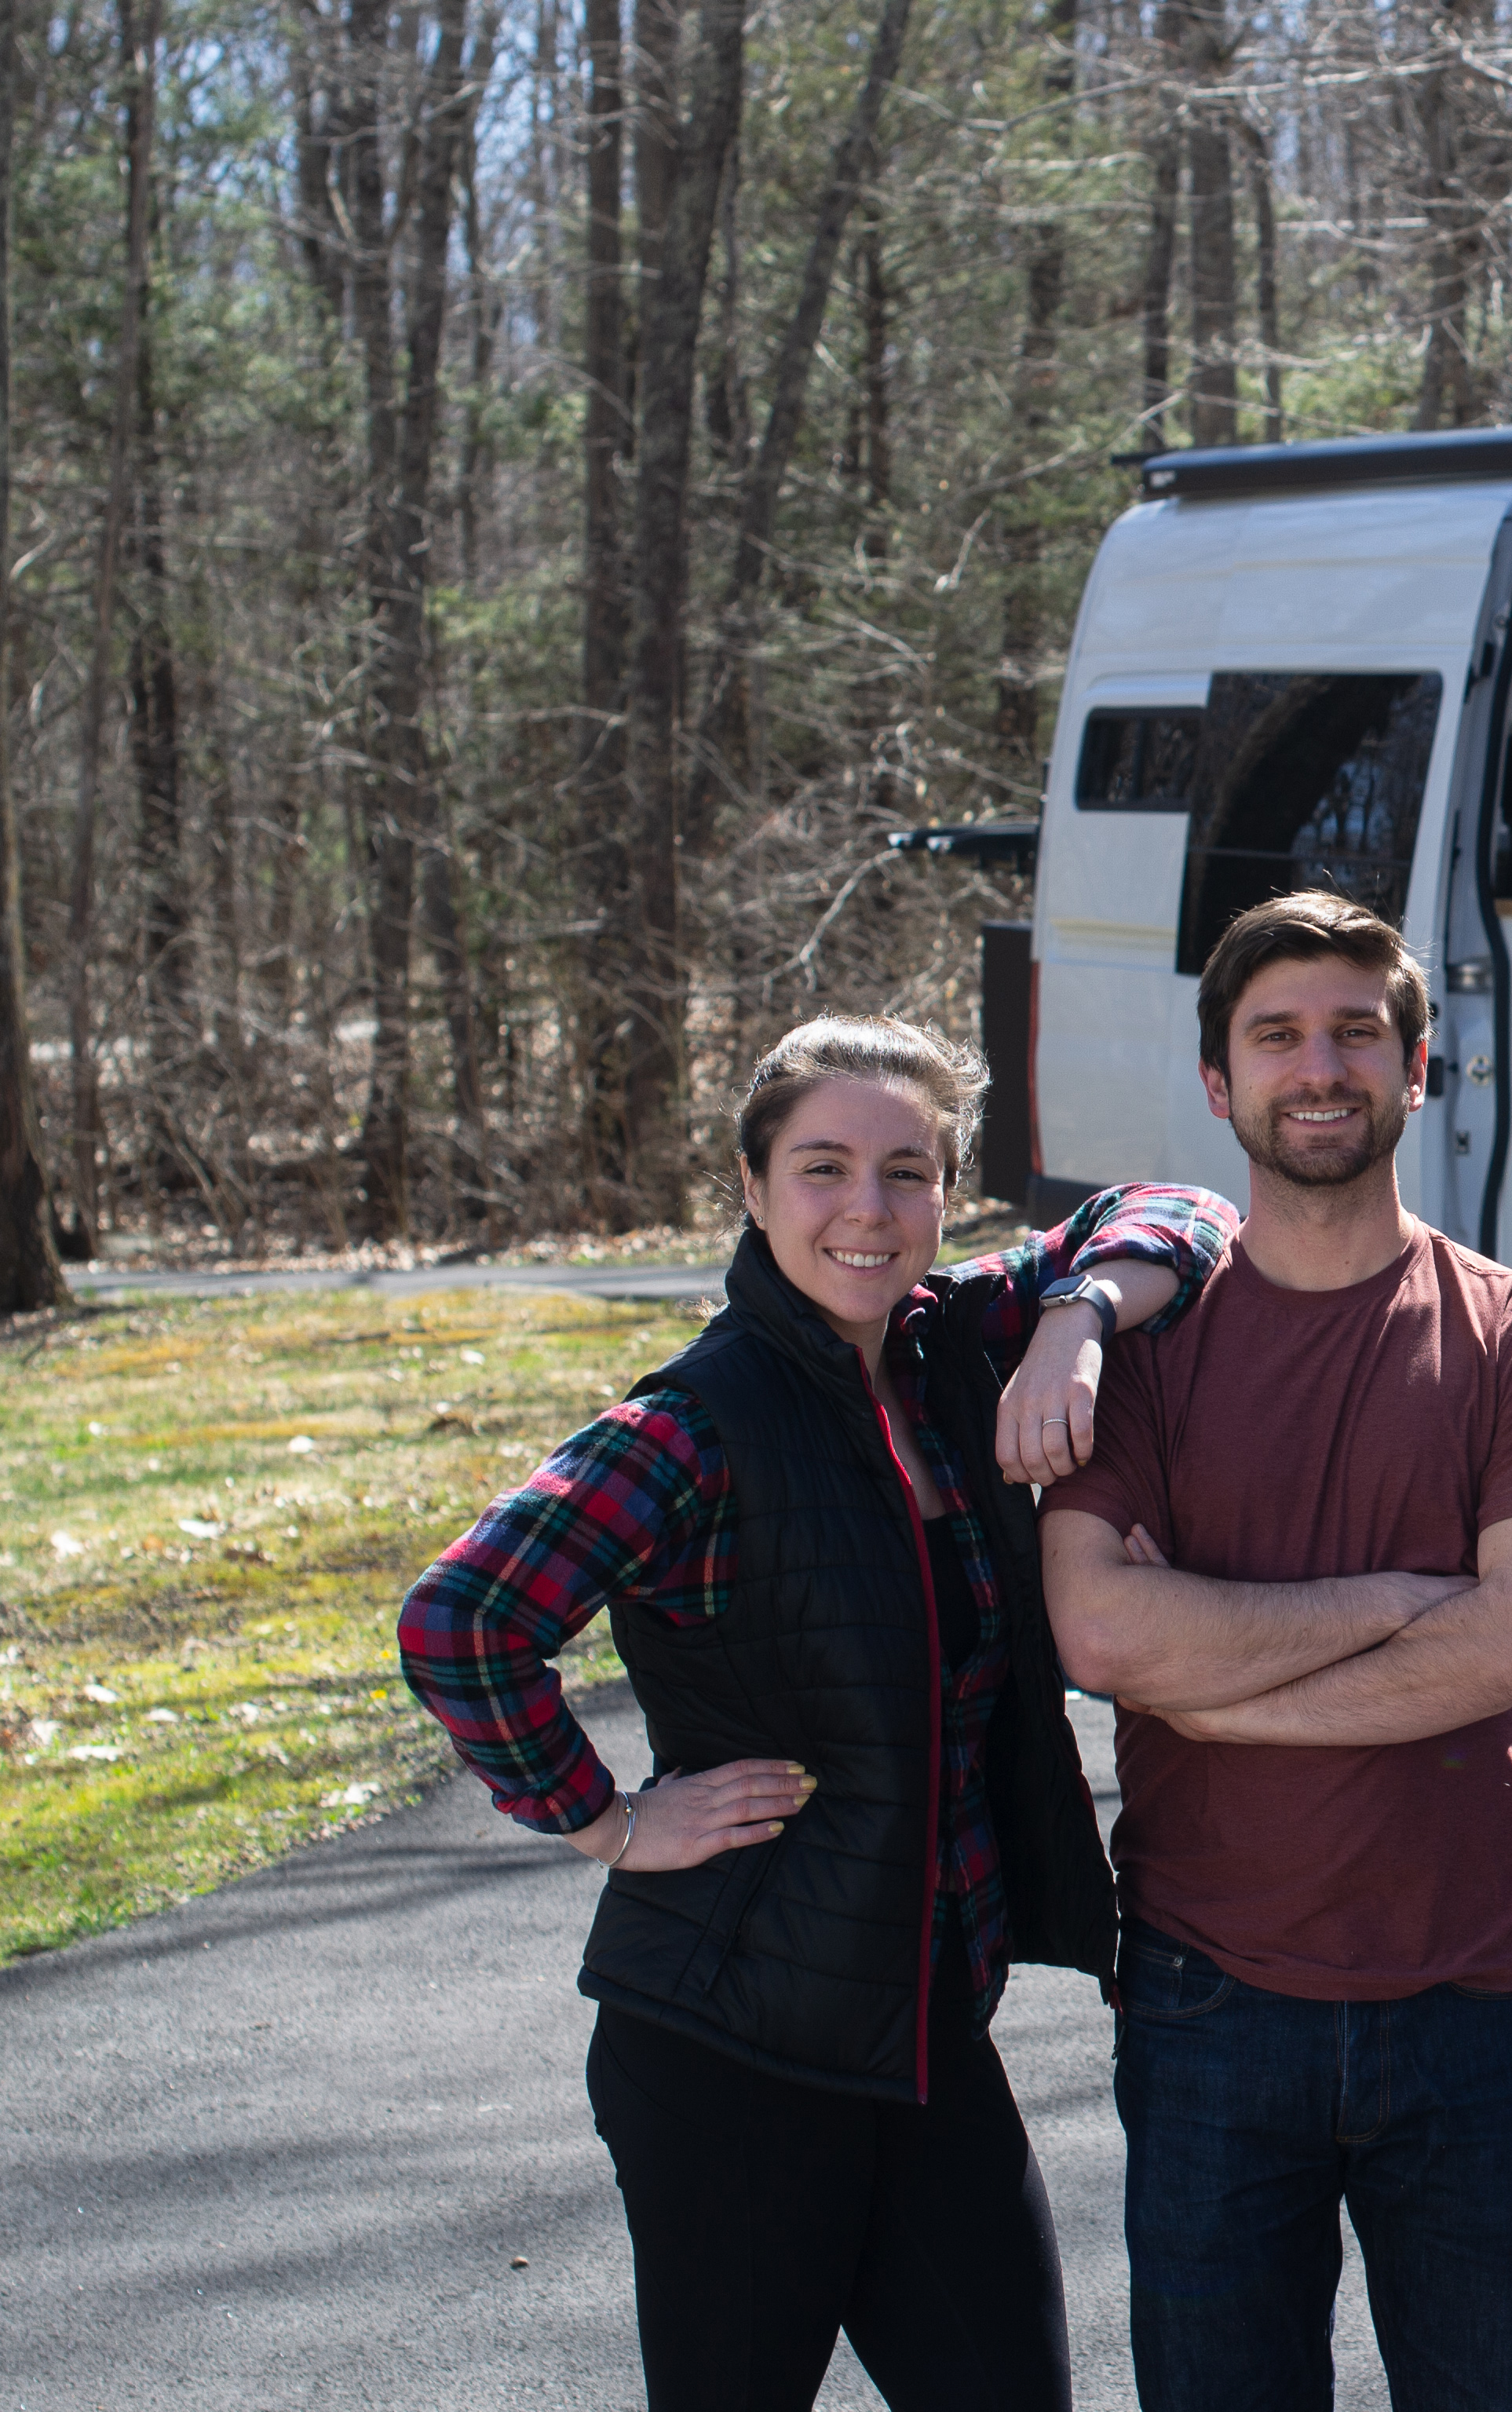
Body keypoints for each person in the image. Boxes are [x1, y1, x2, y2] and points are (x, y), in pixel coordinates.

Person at [397, 1014, 1237, 2412]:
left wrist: (1078, 1321)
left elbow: (1182, 1209)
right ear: (752, 1187)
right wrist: (605, 1823)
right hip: (735, 2055)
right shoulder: (691, 1429)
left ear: (949, 1189)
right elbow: (462, 1622)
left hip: (923, 2044)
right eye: (824, 1168)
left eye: (908, 1172)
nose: (868, 1209)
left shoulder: (961, 1343)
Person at [1039, 892, 1512, 2412]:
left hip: (1472, 1995)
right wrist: (1412, 1599)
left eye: (1360, 1032)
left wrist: (1220, 1696)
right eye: (1278, 1036)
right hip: (1209, 1998)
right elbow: (1099, 1628)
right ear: (1220, 1084)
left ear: (1418, 1071)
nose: (1323, 1067)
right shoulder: (1144, 1356)